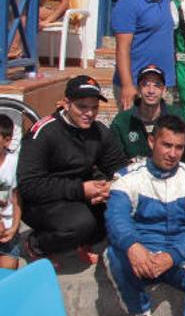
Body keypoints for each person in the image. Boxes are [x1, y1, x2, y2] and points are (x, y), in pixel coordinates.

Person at [105, 115, 185, 316]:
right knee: (114, 255)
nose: (173, 154)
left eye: (179, 148)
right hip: (142, 255)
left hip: (178, 256)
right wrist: (133, 246)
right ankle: (141, 314)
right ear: (151, 141)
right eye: (166, 145)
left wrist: (172, 256)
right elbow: (116, 218)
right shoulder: (127, 178)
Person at [18, 76, 128, 263]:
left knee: (116, 217)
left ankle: (79, 239)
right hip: (42, 202)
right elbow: (29, 185)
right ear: (67, 104)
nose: (89, 113)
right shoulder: (44, 132)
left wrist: (111, 186)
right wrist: (81, 189)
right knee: (80, 224)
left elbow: (118, 166)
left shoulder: (99, 131)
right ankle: (37, 244)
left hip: (80, 195)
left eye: (94, 107)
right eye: (82, 107)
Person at [111, 0, 176, 110]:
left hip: (164, 84)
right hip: (138, 85)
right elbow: (122, 48)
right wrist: (127, 85)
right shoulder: (128, 3)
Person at [110, 65, 184, 160]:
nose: (151, 90)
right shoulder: (123, 121)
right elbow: (114, 160)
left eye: (157, 85)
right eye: (145, 84)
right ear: (138, 89)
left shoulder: (177, 117)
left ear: (164, 89)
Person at [0, 115, 21, 269]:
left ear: (7, 140)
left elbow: (16, 199)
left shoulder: (14, 163)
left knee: (7, 275)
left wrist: (14, 227)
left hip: (6, 230)